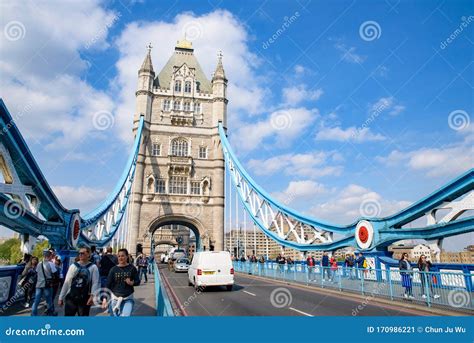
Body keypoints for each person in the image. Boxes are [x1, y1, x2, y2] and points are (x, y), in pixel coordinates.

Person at [58, 246, 100, 316]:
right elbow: (67, 282)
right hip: (71, 298)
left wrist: (92, 296)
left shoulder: (93, 267)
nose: (80, 255)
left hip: (85, 299)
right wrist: (61, 297)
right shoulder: (73, 266)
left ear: (89, 254)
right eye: (79, 253)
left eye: (83, 253)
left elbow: (95, 283)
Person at [102, 248, 139, 316]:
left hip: (128, 298)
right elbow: (108, 285)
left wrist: (132, 283)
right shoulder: (113, 269)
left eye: (122, 256)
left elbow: (138, 281)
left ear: (127, 256)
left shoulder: (132, 268)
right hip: (115, 299)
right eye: (119, 256)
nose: (120, 258)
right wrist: (104, 298)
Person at [31, 250, 56, 316]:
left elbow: (37, 272)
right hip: (47, 285)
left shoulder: (39, 263)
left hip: (38, 285)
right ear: (50, 256)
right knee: (49, 300)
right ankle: (50, 313)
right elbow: (55, 274)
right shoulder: (51, 264)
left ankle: (33, 314)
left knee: (36, 301)